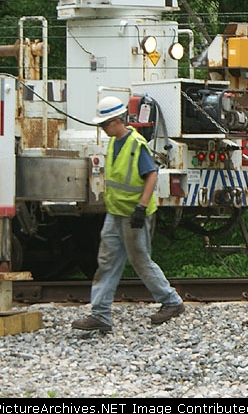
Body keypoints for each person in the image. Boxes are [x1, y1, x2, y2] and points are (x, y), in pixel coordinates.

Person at [72, 96, 185, 333]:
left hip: (134, 213)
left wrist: (141, 207)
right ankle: (100, 314)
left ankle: (171, 301)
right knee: (107, 261)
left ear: (116, 121)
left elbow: (151, 175)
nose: (102, 129)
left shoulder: (136, 144)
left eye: (104, 124)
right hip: (116, 212)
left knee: (139, 260)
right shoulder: (114, 143)